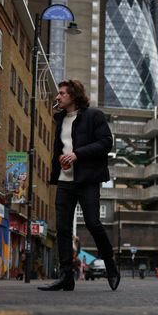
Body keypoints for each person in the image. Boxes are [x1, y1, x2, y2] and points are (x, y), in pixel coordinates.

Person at [38, 80, 120, 292]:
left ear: (73, 96)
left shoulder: (94, 116)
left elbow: (106, 143)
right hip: (65, 182)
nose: (58, 97)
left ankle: (110, 262)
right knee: (62, 229)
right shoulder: (60, 119)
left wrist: (77, 154)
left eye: (62, 93)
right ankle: (66, 276)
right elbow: (61, 148)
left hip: (87, 180)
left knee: (93, 223)